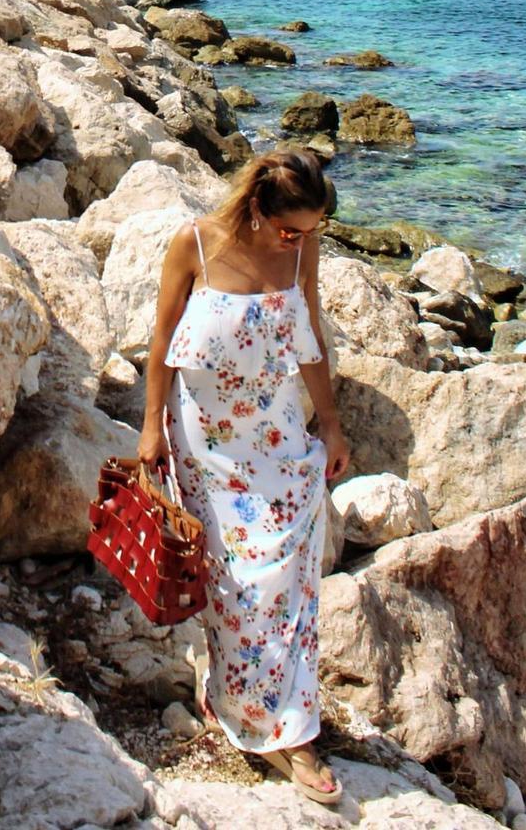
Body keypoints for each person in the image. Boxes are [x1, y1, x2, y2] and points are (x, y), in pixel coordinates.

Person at [137, 148, 349, 808]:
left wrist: (332, 425)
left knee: (288, 577)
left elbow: (307, 331)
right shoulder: (193, 243)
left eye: (312, 230)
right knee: (235, 578)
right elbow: (162, 341)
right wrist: (149, 428)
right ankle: (248, 714)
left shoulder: (300, 250)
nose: (300, 241)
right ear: (257, 208)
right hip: (207, 438)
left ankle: (287, 724)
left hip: (278, 428)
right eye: (291, 229)